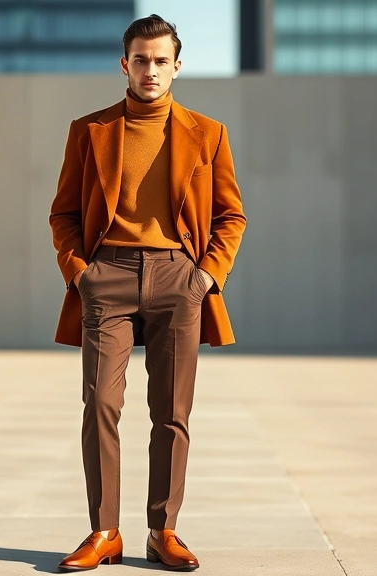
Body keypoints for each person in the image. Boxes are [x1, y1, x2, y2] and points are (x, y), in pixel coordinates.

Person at [49, 14, 246, 572]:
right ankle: (104, 531)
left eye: (162, 61)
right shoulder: (90, 131)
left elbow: (232, 214)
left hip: (178, 279)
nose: (151, 69)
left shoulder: (207, 134)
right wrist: (80, 271)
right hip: (106, 276)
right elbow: (62, 213)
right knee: (101, 405)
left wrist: (207, 274)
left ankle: (164, 530)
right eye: (141, 59)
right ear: (124, 64)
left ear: (177, 66)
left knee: (172, 412)